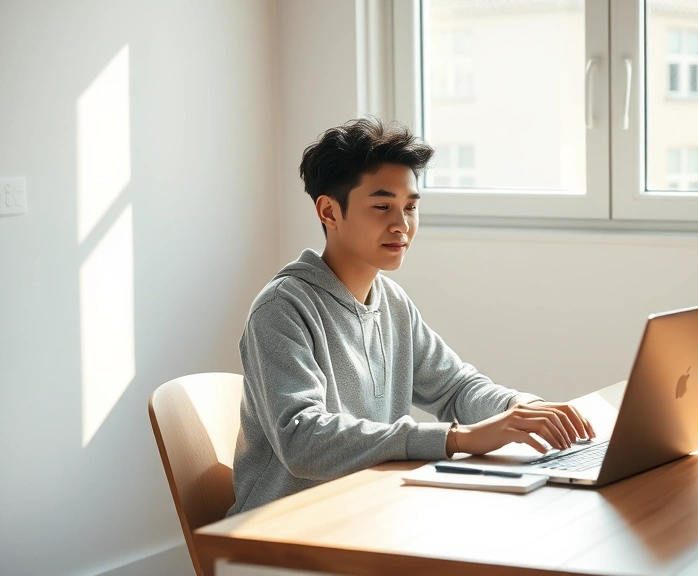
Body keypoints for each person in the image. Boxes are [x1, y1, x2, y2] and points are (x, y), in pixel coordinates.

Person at [227, 117, 595, 515]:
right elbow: (302, 440)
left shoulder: (393, 303)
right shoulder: (281, 308)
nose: (401, 225)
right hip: (284, 531)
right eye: (382, 206)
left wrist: (520, 407)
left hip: (373, 512)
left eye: (410, 207)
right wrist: (457, 439)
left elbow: (454, 389)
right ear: (329, 212)